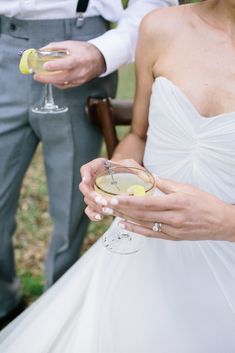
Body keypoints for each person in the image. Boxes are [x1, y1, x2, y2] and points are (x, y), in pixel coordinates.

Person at [1, 0, 235, 352]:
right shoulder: (160, 27)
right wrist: (115, 171)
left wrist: (225, 222)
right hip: (141, 241)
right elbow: (139, 135)